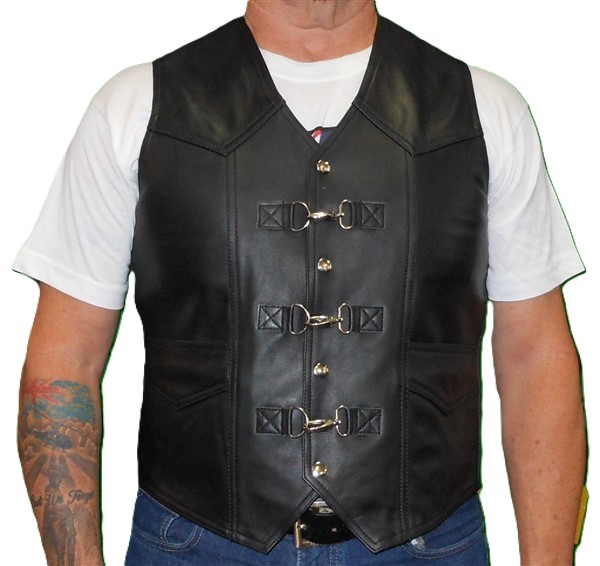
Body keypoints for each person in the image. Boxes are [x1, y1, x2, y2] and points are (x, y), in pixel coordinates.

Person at [14, 1, 587, 564]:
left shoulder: (483, 110)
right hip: (196, 543)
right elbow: (67, 357)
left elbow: (534, 352)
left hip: (426, 543)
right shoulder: (137, 106)